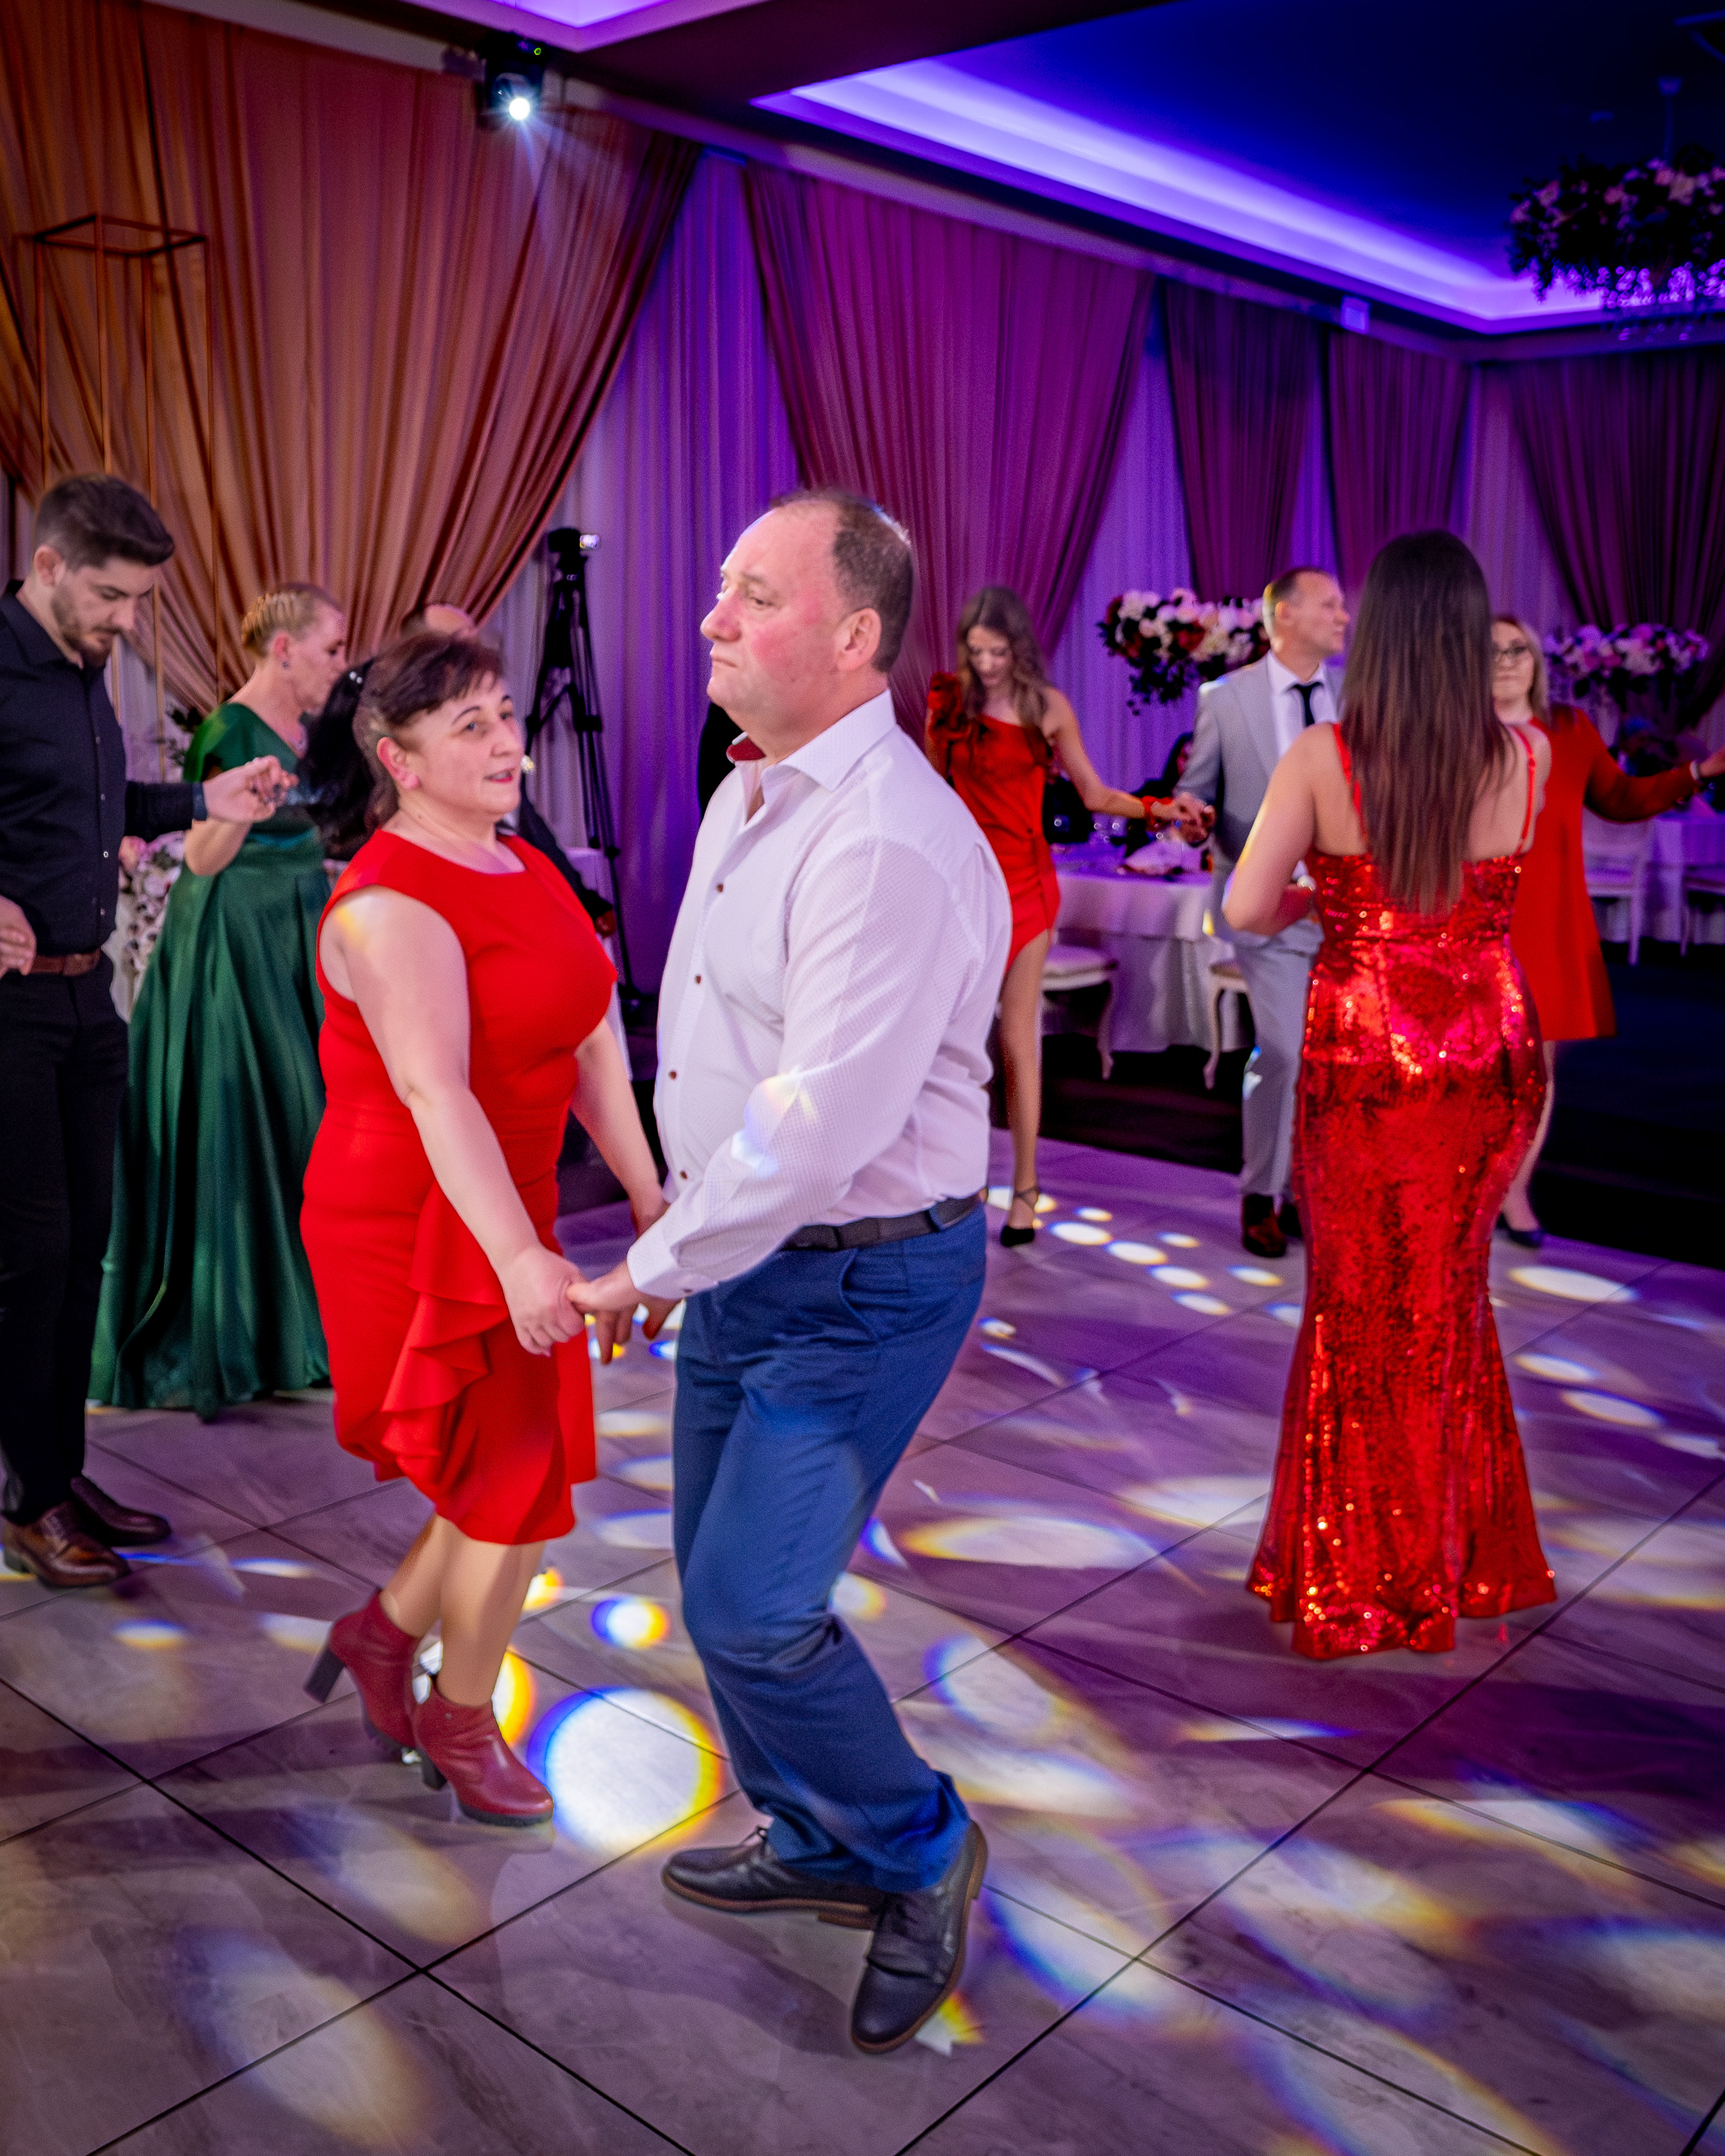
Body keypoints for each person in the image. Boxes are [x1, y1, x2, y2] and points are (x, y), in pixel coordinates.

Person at [568, 489, 1010, 2056]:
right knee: (715, 1587)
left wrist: (645, 1266)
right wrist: (691, 1235)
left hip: (861, 1280)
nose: (712, 618)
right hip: (754, 1256)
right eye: (721, 585)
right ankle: (816, 1834)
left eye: (754, 594)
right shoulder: (755, 787)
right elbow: (720, 1046)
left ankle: (918, 1844)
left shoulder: (884, 838)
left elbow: (818, 1130)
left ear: (854, 636)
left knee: (756, 1608)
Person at [300, 633, 663, 1821]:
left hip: (509, 1200)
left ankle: (379, 1634)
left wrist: (649, 1193)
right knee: (513, 1478)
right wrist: (514, 1255)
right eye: (471, 725)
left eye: (507, 714)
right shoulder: (386, 904)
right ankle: (459, 1716)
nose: (509, 740)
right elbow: (434, 1090)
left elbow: (592, 1033)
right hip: (407, 1215)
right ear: (397, 759)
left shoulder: (524, 861)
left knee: (504, 1469)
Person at [1224, 531, 1555, 1659]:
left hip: (1367, 1059)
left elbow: (1243, 907)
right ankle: (1454, 1556)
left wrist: (1322, 904)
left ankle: (1366, 1572)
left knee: (1360, 1309)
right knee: (1448, 1302)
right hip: (1488, 1055)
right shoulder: (1525, 755)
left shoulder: (1324, 755)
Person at [0, 475, 285, 1587]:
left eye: (137, 601)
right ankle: (24, 1500)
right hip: (10, 1014)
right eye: (111, 596)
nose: (127, 621)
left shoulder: (82, 669)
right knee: (28, 1260)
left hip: (88, 999)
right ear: (50, 565)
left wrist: (209, 799)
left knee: (82, 1251)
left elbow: (97, 806)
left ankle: (59, 1473)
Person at [91, 583, 351, 1421]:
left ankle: (298, 1331)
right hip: (237, 939)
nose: (340, 663)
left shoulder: (306, 729)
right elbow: (203, 856)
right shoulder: (230, 729)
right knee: (256, 1121)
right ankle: (247, 1335)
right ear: (284, 649)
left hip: (292, 929)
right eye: (331, 648)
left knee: (303, 1123)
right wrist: (250, 803)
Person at [925, 587, 1198, 1247]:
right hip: (963, 884)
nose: (986, 663)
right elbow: (929, 794)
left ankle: (1024, 1188)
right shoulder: (946, 702)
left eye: (997, 651)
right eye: (976, 651)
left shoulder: (1047, 707)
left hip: (1026, 883)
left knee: (1018, 1039)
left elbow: (1095, 794)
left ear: (1019, 648)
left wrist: (1161, 809)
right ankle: (957, 1180)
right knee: (954, 1042)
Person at [1490, 614, 1725, 1247]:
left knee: (1536, 1073)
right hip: (1474, 919)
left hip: (1548, 920)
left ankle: (1515, 1191)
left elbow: (1619, 798)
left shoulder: (1568, 728)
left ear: (1535, 661)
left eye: (1517, 650)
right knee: (1472, 1066)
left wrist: (1700, 771)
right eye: (1490, 651)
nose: (1506, 661)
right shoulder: (1453, 732)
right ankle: (1466, 1186)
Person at [1176, 567, 1348, 1258]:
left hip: (1345, 909)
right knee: (1281, 1047)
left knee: (1330, 1056)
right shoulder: (1225, 698)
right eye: (1330, 604)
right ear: (1285, 616)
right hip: (1264, 906)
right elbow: (1196, 792)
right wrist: (1190, 821)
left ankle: (1311, 1190)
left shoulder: (1356, 695)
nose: (1343, 616)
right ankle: (1260, 1193)